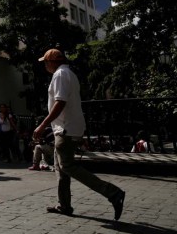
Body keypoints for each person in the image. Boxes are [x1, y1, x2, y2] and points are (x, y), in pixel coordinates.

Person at [33, 48, 125, 220]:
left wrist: (42, 125)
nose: (44, 65)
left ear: (53, 62)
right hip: (65, 128)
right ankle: (64, 205)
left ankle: (112, 192)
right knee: (60, 168)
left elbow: (60, 103)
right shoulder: (69, 74)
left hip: (65, 130)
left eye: (45, 62)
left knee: (67, 166)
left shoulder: (60, 75)